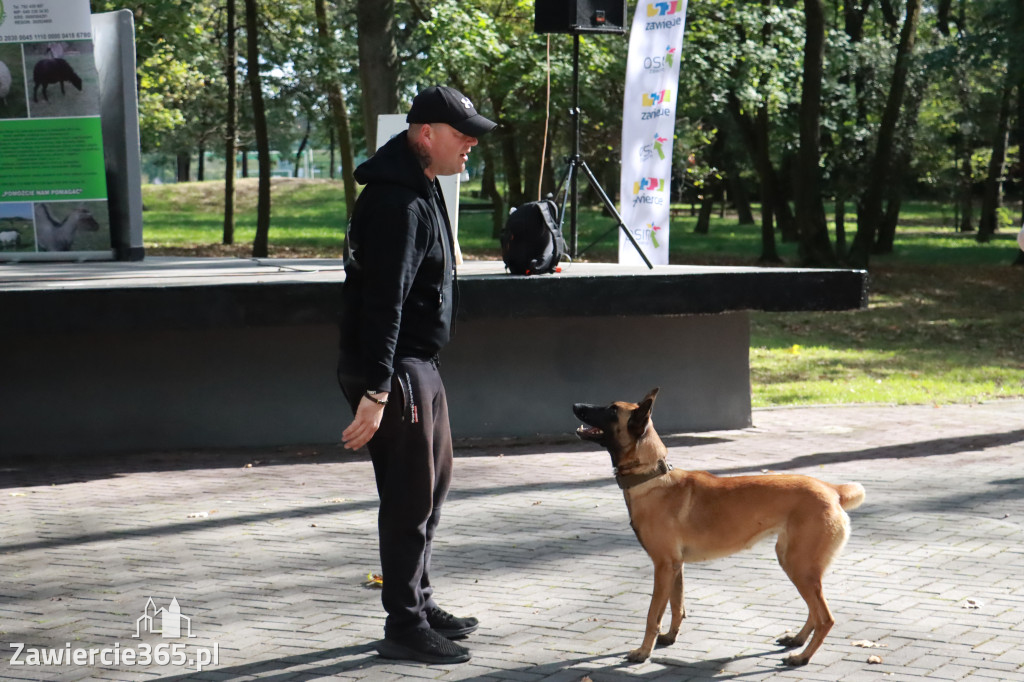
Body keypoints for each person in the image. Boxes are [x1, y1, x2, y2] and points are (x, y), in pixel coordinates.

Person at [336, 85, 497, 665]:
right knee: (408, 500)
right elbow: (384, 302)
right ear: (423, 133)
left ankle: (419, 603)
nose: (471, 144)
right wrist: (378, 389)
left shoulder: (420, 187)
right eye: (462, 134)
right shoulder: (395, 204)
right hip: (395, 371)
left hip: (417, 365)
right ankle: (403, 626)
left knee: (431, 490)